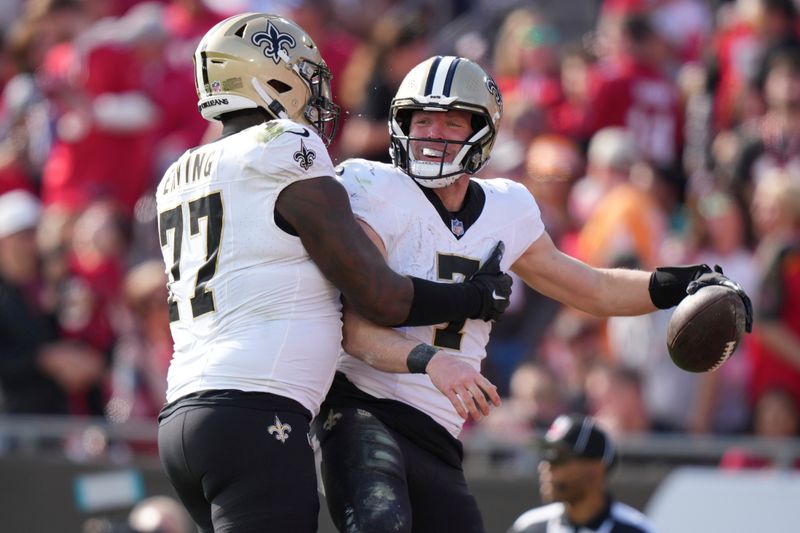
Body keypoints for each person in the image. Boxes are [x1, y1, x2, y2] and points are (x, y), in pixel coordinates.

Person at [311, 55, 753, 533]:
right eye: (422, 120)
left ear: (481, 131)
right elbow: (353, 329)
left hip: (435, 426)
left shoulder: (508, 207)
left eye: (451, 121)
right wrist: (431, 359)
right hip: (361, 405)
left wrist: (683, 282)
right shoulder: (372, 187)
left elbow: (593, 287)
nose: (433, 133)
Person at [154, 15, 513, 533]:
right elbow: (379, 295)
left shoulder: (180, 171)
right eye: (302, 74)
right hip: (256, 410)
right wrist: (473, 298)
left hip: (185, 414)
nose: (316, 92)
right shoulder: (282, 143)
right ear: (268, 77)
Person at [507, 413, 656, 533]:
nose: (546, 466)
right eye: (544, 455)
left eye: (556, 457)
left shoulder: (637, 530)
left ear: (596, 468)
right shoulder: (529, 527)